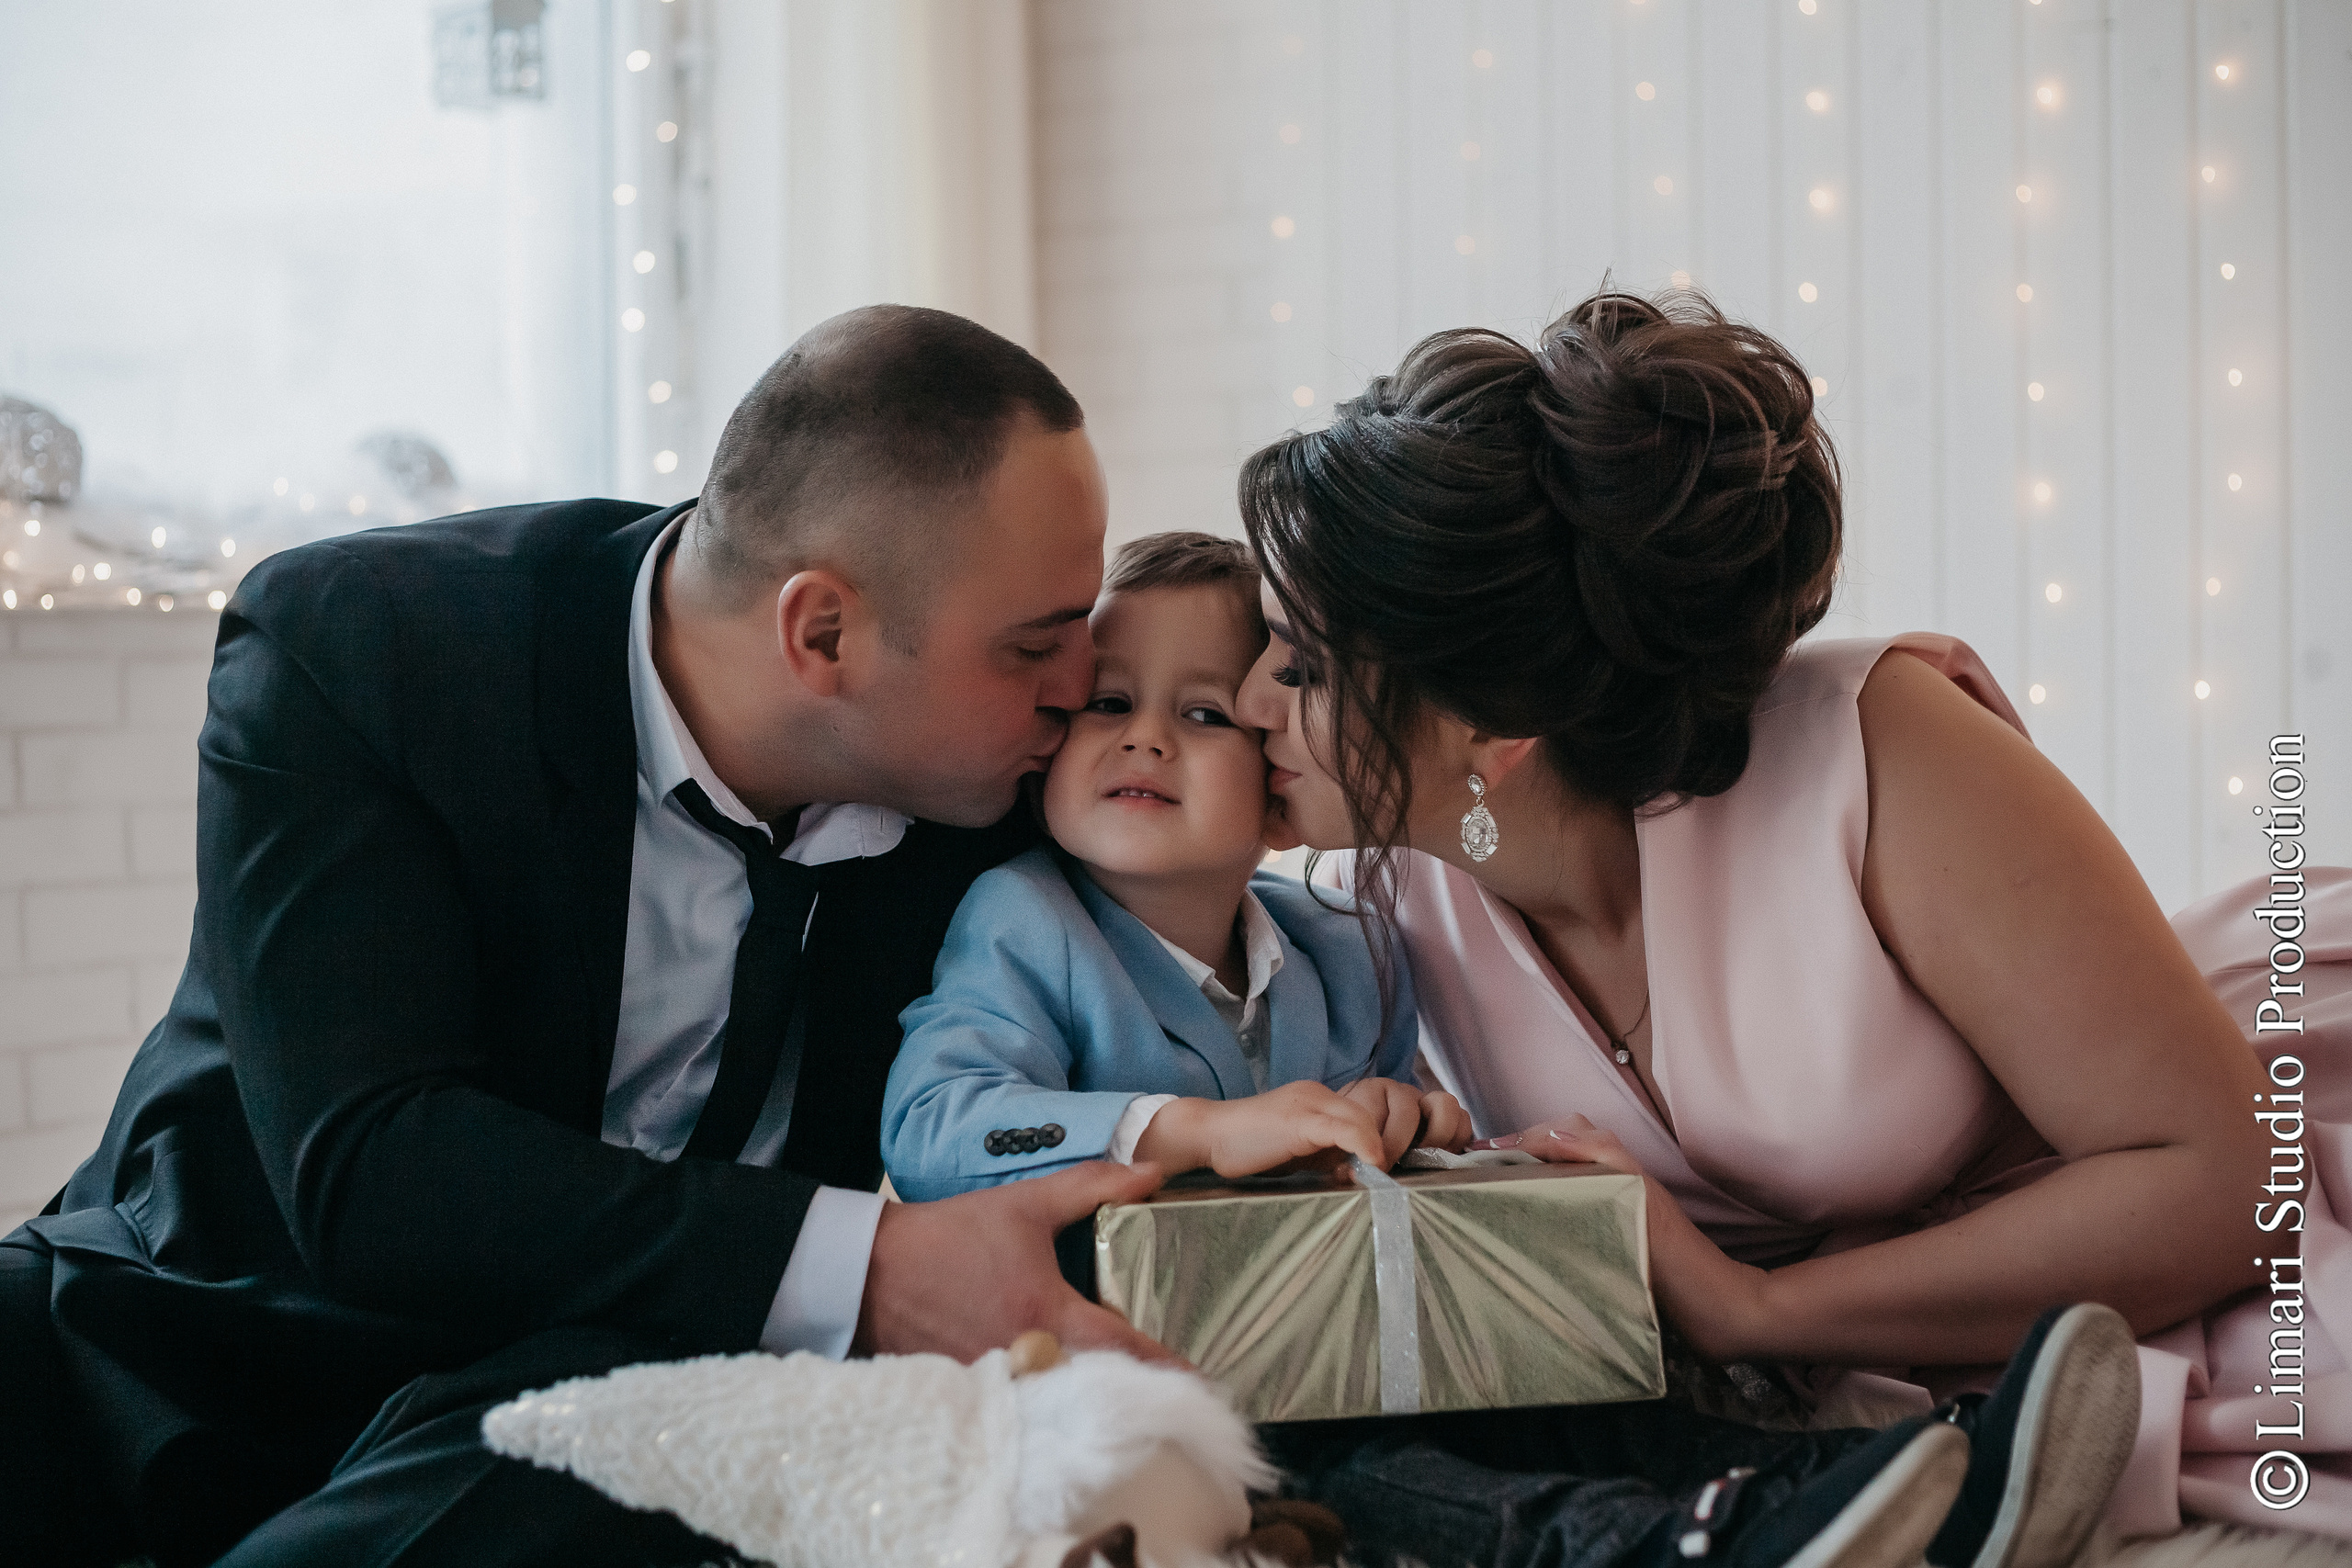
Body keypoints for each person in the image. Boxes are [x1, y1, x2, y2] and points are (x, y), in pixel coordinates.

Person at [0, 305, 1170, 1568]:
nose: (1076, 687)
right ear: (821, 632)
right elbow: (373, 1168)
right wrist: (872, 1265)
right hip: (200, 1341)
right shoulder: (373, 645)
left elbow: (1188, 941)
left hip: (610, 1415)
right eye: (1033, 644)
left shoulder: (988, 776)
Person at [1231, 289, 2348, 1553]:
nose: (1250, 700)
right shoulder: (1376, 895)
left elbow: (2229, 1181)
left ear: (1492, 727)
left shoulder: (1876, 753)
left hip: (2154, 1194)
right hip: (1847, 1386)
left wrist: (1753, 1308)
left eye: (1302, 666)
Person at [881, 531, 1453, 1205]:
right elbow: (932, 1129)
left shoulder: (1353, 948)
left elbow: (1390, 1173)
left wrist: (1407, 1121)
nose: (1146, 737)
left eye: (1204, 714)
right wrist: (1196, 1132)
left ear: (1279, 798)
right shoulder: (1022, 920)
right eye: (1109, 703)